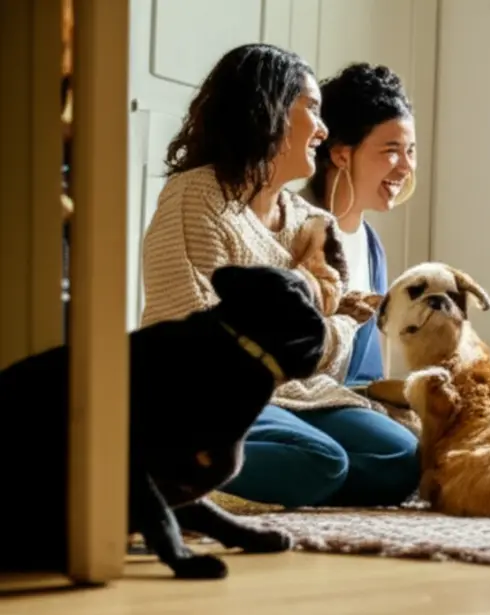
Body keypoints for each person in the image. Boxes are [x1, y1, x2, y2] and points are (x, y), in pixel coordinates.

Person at [139, 43, 419, 509]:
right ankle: (163, 472)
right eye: (312, 109)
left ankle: (266, 477)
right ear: (267, 108)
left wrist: (334, 324)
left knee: (401, 457)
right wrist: (336, 322)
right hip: (207, 392)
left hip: (294, 392)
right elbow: (203, 342)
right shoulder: (196, 195)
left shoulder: (312, 223)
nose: (323, 130)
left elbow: (320, 362)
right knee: (320, 458)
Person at [300, 62, 417, 386]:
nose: (407, 166)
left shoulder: (372, 247)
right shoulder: (292, 226)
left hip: (353, 400)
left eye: (410, 151)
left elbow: (370, 371)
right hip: (302, 400)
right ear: (341, 155)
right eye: (392, 150)